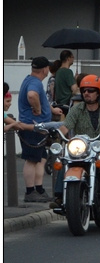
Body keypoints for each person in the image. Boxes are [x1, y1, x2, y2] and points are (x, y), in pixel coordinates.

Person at [50, 75, 100, 207]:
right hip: (82, 149)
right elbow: (66, 125)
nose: (86, 93)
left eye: (90, 90)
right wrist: (57, 134)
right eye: (84, 90)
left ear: (98, 93)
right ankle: (59, 196)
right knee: (65, 159)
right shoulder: (76, 110)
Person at [17, 57, 62, 202]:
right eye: (47, 68)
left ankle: (39, 189)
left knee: (41, 159)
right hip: (33, 126)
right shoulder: (34, 83)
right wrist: (37, 109)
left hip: (38, 127)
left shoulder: (30, 80)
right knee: (31, 160)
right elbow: (32, 95)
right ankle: (30, 192)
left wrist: (51, 109)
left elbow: (40, 97)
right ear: (44, 69)